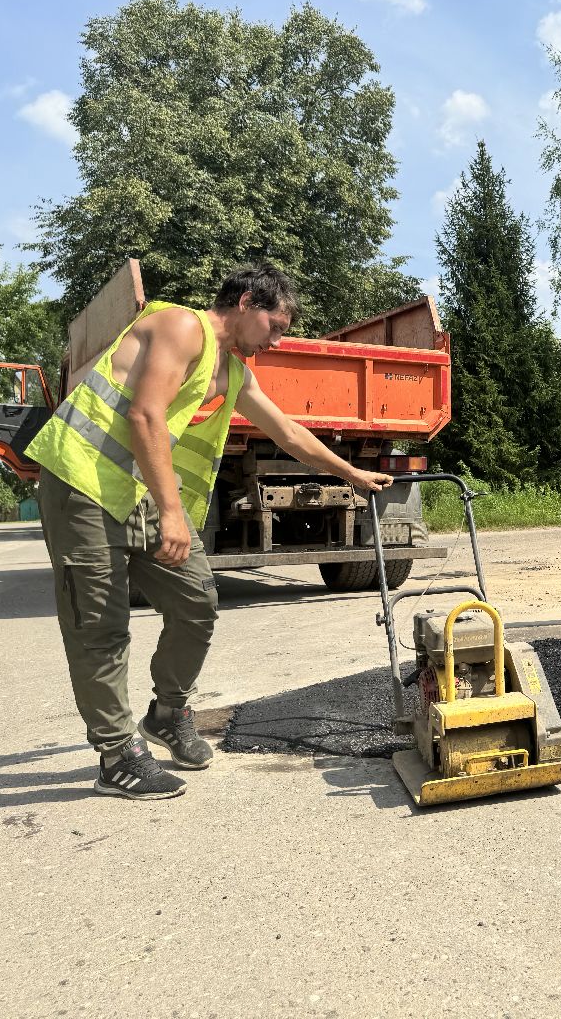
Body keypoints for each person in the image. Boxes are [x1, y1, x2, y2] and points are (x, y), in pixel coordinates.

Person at [25, 264, 393, 800]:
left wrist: (352, 473)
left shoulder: (234, 372)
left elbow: (287, 431)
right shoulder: (179, 327)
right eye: (275, 325)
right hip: (81, 482)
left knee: (196, 601)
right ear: (245, 303)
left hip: (140, 491)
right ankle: (116, 755)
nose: (278, 339)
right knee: (99, 624)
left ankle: (169, 713)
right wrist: (174, 514)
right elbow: (146, 416)